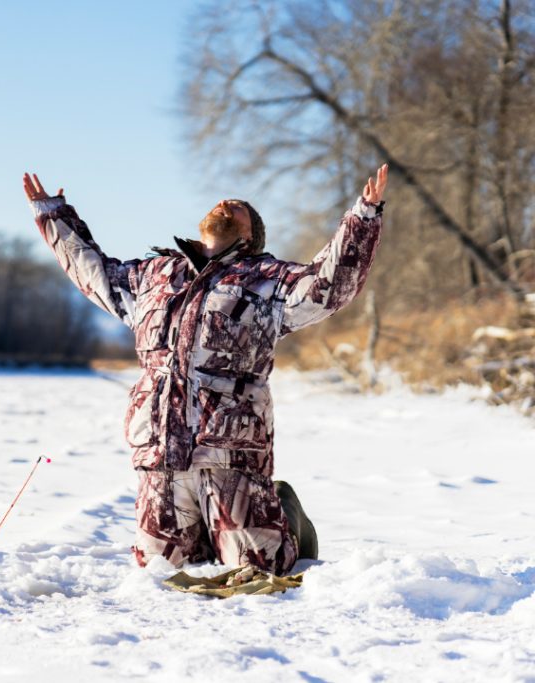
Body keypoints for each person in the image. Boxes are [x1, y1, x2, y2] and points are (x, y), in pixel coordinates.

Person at [22, 165, 387, 575]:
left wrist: (363, 217)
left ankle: (285, 516)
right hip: (159, 453)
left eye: (238, 208)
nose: (225, 205)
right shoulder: (155, 277)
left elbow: (329, 285)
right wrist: (53, 213)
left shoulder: (267, 281)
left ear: (250, 236)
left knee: (259, 571)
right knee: (159, 573)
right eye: (220, 203)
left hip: (230, 454)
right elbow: (93, 271)